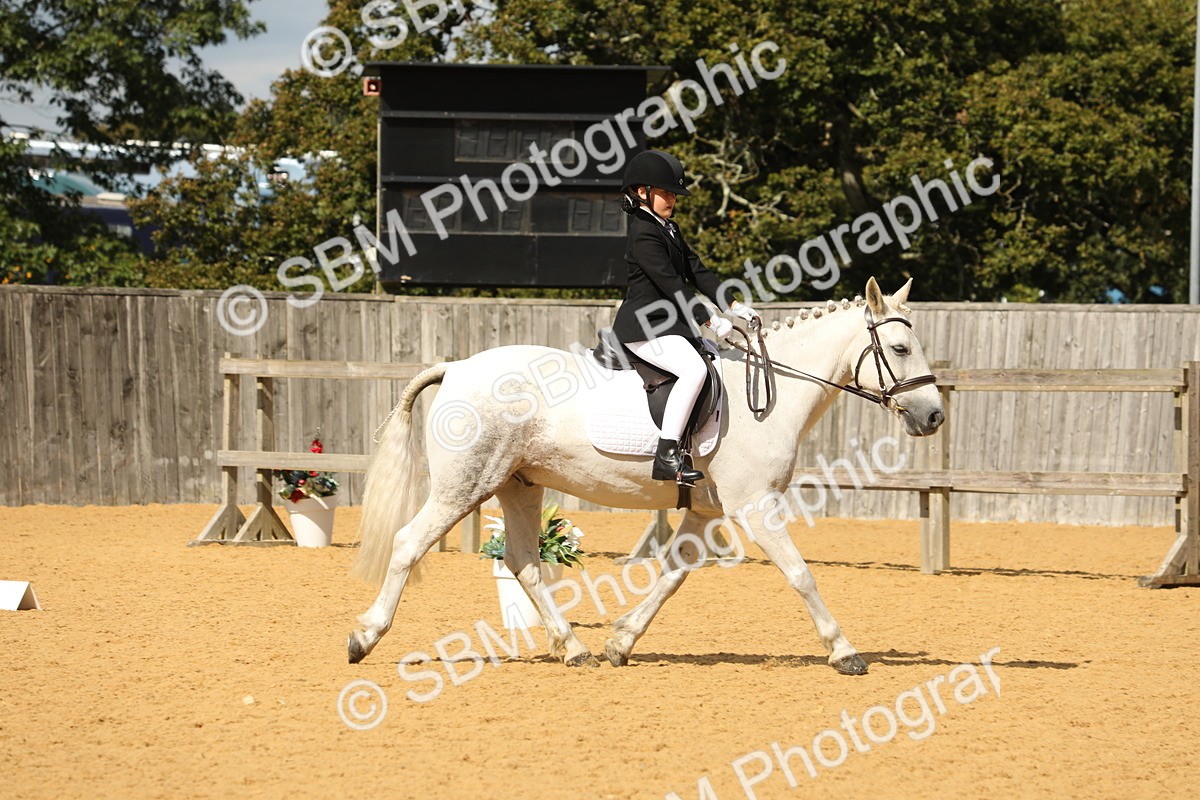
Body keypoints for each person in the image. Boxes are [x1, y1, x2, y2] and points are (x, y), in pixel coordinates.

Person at [610, 150, 758, 486]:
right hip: (643, 327)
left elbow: (697, 271)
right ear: (642, 192)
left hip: (668, 326)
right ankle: (666, 455)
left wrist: (732, 306)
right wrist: (708, 319)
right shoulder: (643, 232)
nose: (672, 200)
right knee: (693, 370)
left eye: (674, 194)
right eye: (666, 193)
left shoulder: (669, 229)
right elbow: (671, 283)